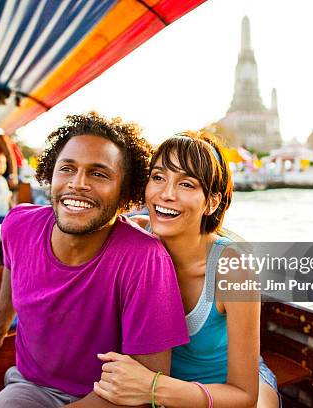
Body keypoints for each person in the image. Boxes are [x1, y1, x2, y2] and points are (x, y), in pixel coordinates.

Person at [0, 112, 189, 408]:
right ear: (51, 175)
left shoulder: (144, 259)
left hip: (114, 399)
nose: (78, 184)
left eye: (99, 173)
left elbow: (149, 384)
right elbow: (12, 265)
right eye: (67, 169)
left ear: (124, 194)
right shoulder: (18, 224)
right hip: (32, 388)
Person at [93, 132, 281, 407]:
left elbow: (243, 395)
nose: (166, 194)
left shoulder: (234, 268)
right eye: (158, 178)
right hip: (164, 390)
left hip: (227, 393)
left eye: (186, 184)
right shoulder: (133, 238)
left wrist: (152, 387)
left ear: (212, 202)